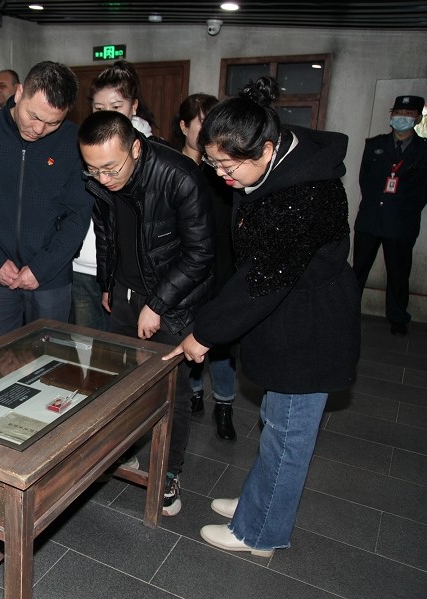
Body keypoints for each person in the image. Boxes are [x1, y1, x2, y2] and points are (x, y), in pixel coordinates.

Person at [165, 77, 359, 556]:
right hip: (286, 319)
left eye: (228, 166)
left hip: (310, 331)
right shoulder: (272, 166)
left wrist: (204, 334)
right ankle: (260, 500)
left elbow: (262, 278)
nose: (221, 176)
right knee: (276, 423)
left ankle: (260, 530)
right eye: (213, 163)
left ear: (267, 149)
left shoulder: (305, 194)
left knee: (289, 436)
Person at [78, 110, 214, 516]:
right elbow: (107, 234)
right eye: (92, 170)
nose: (102, 178)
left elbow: (200, 254)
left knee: (171, 390)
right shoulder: (102, 178)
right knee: (123, 382)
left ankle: (169, 471)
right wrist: (107, 283)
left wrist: (157, 304)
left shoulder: (179, 176)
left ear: (136, 148)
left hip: (174, 302)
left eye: (110, 168)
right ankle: (127, 449)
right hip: (125, 292)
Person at [0, 61, 93, 342]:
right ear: (19, 93)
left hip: (51, 278)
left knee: (51, 358)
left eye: (53, 122)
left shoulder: (74, 142)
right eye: (33, 116)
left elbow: (78, 215)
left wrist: (42, 268)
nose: (39, 129)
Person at [72, 60, 161, 332]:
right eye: (99, 109)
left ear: (133, 106)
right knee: (87, 346)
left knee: (125, 347)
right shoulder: (88, 148)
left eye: (116, 106)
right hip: (84, 265)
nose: (107, 115)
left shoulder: (151, 156)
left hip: (127, 277)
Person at [175, 93, 239, 439]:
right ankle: (195, 394)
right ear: (184, 126)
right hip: (184, 270)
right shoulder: (172, 166)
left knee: (222, 339)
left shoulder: (224, 169)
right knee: (189, 334)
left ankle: (225, 405)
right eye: (203, 123)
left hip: (222, 266)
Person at [352, 94, 427, 336]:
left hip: (401, 223)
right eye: (398, 113)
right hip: (370, 219)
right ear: (391, 115)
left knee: (398, 273)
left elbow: (423, 190)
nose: (401, 118)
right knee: (358, 269)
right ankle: (347, 311)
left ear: (417, 118)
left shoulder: (423, 150)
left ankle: (398, 317)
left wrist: (404, 209)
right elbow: (365, 180)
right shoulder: (375, 144)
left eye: (408, 114)